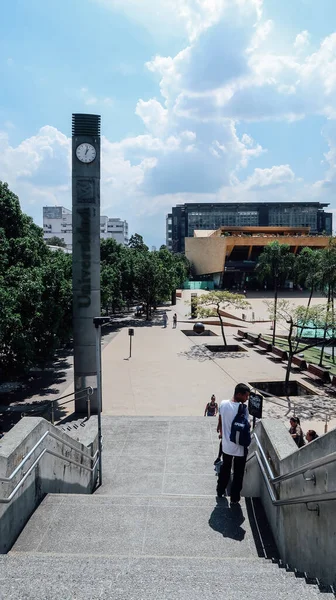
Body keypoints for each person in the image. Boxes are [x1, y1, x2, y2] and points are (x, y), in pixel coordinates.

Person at [216, 383, 251, 505]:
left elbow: (220, 419)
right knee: (238, 474)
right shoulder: (243, 409)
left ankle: (220, 490)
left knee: (225, 469)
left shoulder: (223, 404)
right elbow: (247, 427)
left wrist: (221, 431)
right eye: (246, 396)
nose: (247, 399)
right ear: (239, 394)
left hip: (226, 446)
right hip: (239, 448)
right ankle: (235, 498)